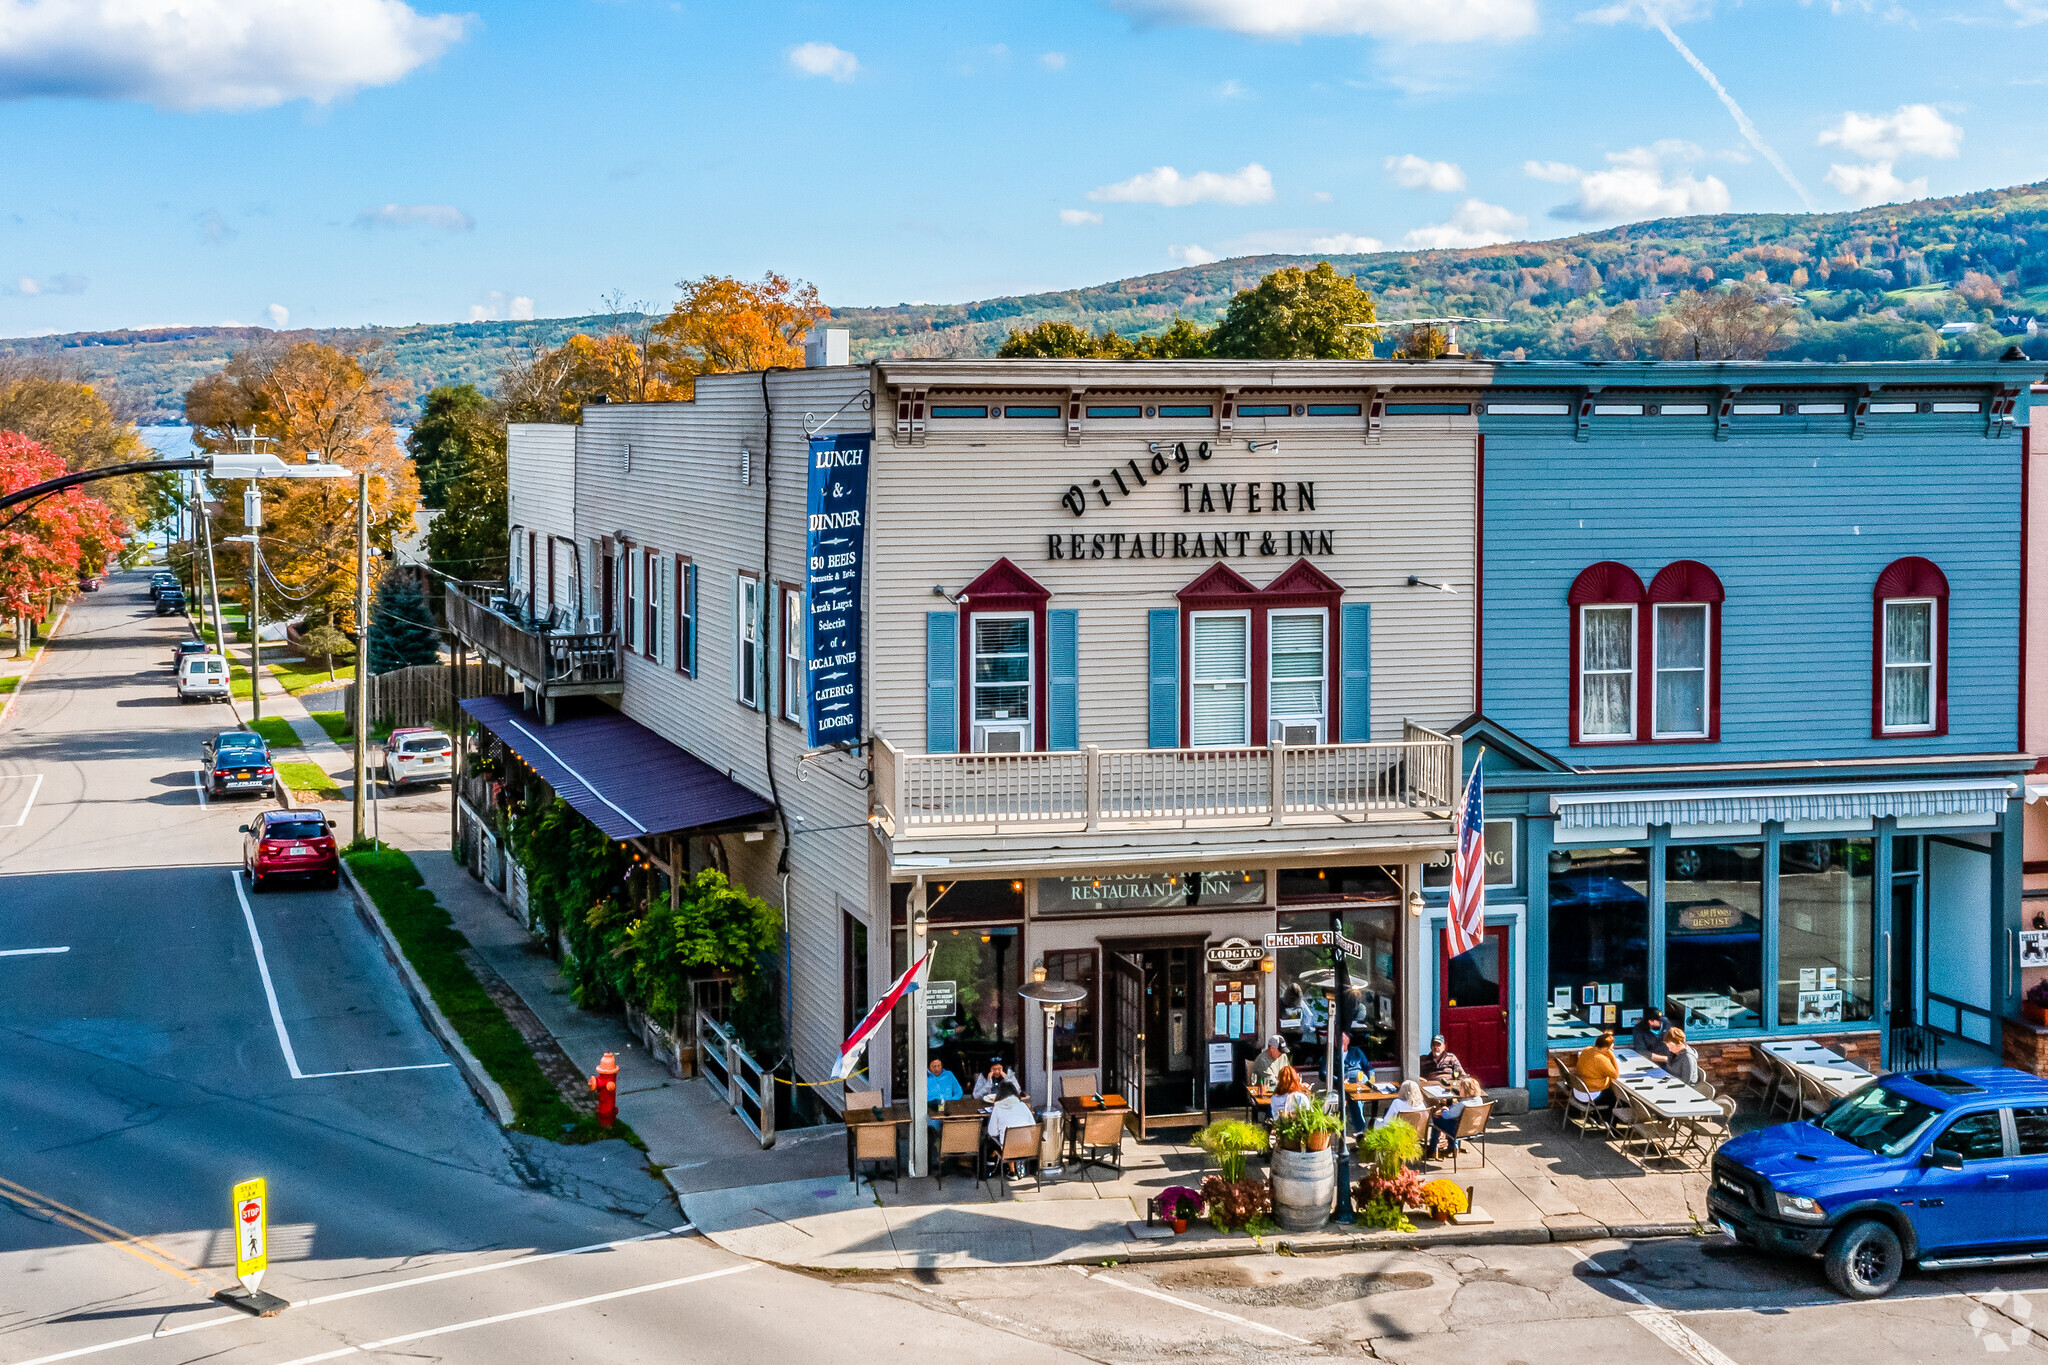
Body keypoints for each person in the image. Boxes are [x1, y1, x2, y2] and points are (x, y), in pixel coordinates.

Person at [1429, 1076, 1485, 1158]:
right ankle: (1453, 1147)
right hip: (1475, 1129)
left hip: (1459, 1131)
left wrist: (1444, 1109)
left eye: (1460, 1088)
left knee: (1437, 1119)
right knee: (1453, 1120)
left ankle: (1432, 1148)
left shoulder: (1462, 1105)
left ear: (1466, 1090)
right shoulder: (1479, 1099)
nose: (1459, 1090)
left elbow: (1446, 1115)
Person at [1574, 1031, 1622, 1124]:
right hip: (1590, 1095)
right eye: (1612, 1046)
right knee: (1617, 1100)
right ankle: (1611, 1126)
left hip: (1578, 1090)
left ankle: (1596, 1116)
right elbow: (1615, 1075)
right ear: (1605, 1048)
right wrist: (1612, 1056)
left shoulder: (1587, 1049)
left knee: (1610, 1093)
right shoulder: (1600, 1058)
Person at [1338, 1030, 1373, 1132]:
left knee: (1359, 1094)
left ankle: (1360, 1125)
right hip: (1347, 1082)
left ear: (1348, 1040)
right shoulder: (1334, 1055)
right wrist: (1340, 1080)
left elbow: (1368, 1067)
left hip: (1361, 1079)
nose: (1339, 1041)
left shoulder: (1356, 1051)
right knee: (1356, 1099)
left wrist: (1372, 1079)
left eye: (1342, 1038)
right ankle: (1360, 1128)